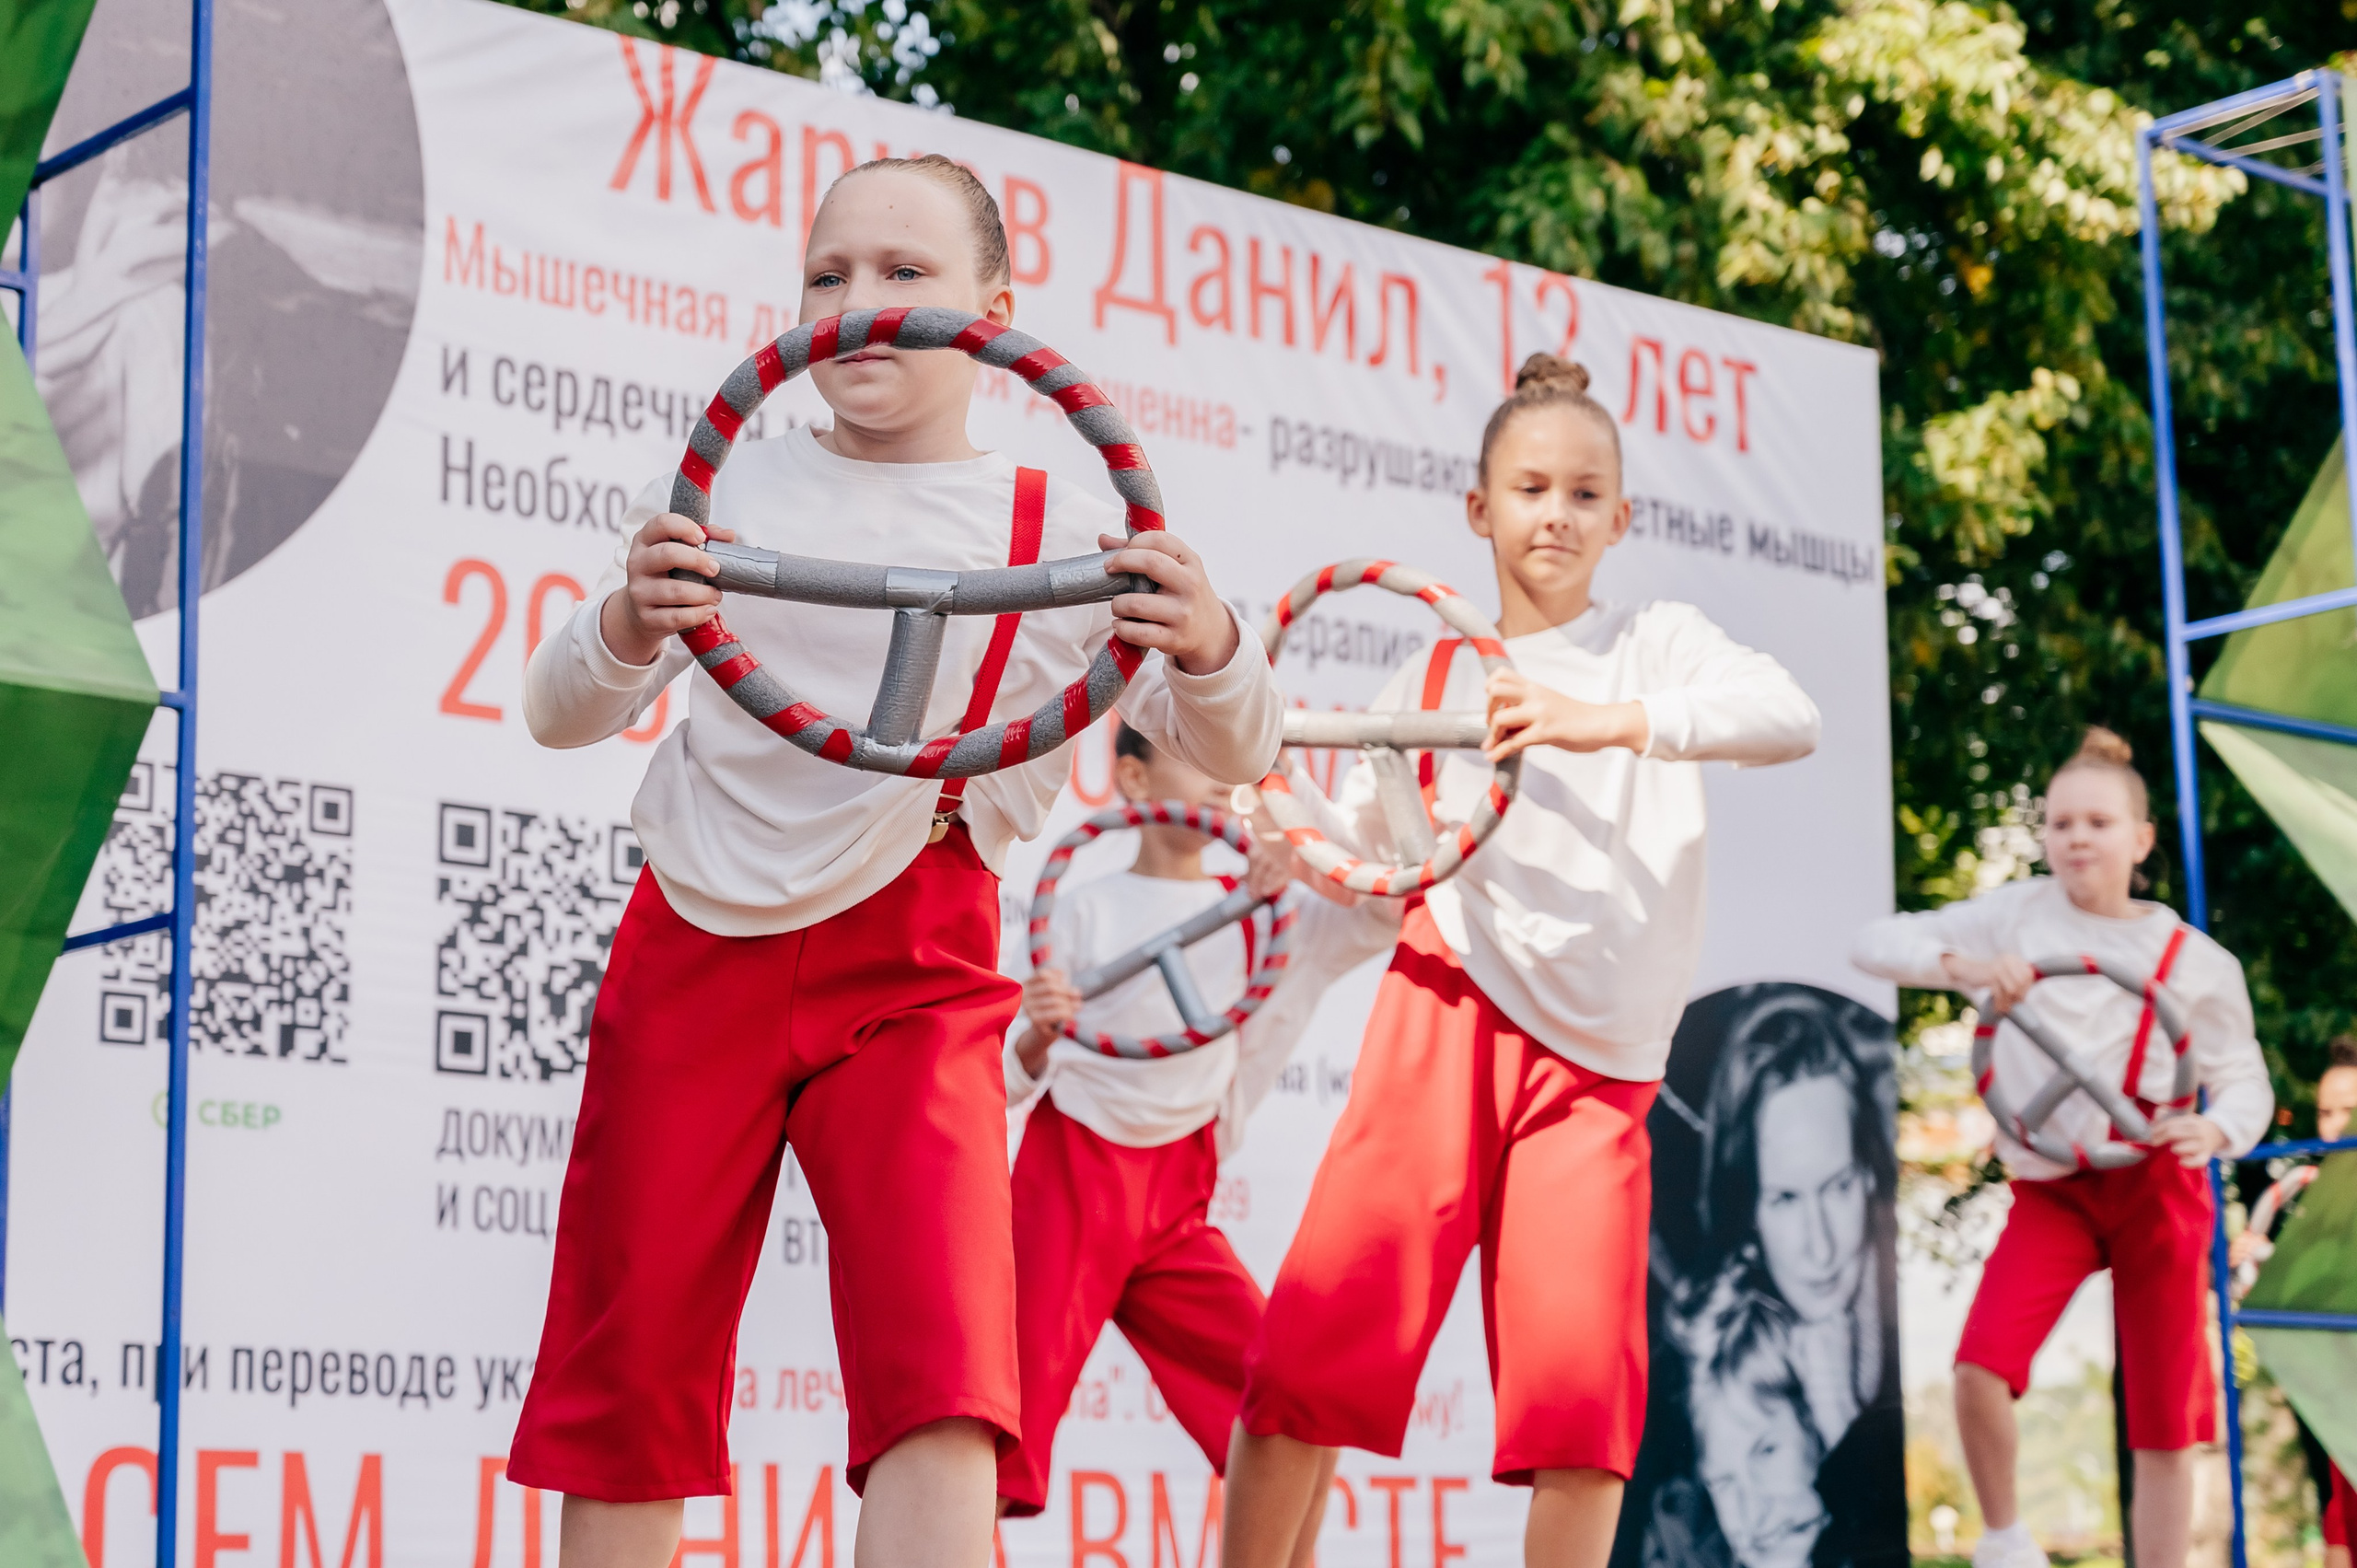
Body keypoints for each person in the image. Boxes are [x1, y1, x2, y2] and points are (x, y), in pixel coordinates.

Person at [507, 155, 1286, 1568]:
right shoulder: (729, 477)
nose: (861, 305)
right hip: (697, 941)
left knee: (947, 1368)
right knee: (633, 1355)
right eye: (828, 275)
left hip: (919, 961)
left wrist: (1213, 636)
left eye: (905, 274)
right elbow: (561, 710)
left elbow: (1230, 748)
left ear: (997, 308)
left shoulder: (1066, 535)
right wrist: (628, 618)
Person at [1220, 354, 1822, 1568]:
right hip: (1445, 1009)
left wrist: (1605, 719)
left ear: (1622, 518)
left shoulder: (1656, 642)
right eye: (1532, 486)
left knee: (1581, 1412)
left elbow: (1787, 716)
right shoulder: (1432, 666)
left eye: (1585, 492)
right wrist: (1290, 835)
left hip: (1599, 1069)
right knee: (1314, 1358)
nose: (1557, 512)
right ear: (1478, 508)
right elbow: (1380, 866)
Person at [1849, 726, 2275, 1568]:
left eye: (2099, 823)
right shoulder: (2012, 913)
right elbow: (1872, 943)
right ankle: (2007, 1539)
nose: (2077, 838)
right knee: (1979, 1365)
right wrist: (1964, 963)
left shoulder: (2195, 961)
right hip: (2054, 1188)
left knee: (2163, 1420)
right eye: (2061, 823)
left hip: (2159, 1184)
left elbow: (2245, 1081)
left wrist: (2217, 1128)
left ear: (2141, 839)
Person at [999, 723, 1399, 1525]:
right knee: (995, 1419)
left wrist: (1293, 851)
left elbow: (1377, 913)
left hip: (1178, 1198)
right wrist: (1039, 1033)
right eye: (1194, 752)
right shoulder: (1079, 912)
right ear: (1137, 783)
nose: (1221, 772)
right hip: (1069, 1177)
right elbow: (998, 1075)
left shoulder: (1262, 912)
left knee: (1284, 1398)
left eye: (1229, 755)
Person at [1680, 990, 1903, 1568]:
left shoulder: (1918, 1337)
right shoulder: (1731, 1374)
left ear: (1872, 1179)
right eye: (1784, 1199)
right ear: (1748, 1213)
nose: (1821, 1246)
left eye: (1838, 1187)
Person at [2229, 1037, 2357, 1568]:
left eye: (2349, 1112)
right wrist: (2251, 1259)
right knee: (2338, 1523)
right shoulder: (2307, 1199)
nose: (2334, 1126)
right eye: (2326, 1112)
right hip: (2338, 1399)